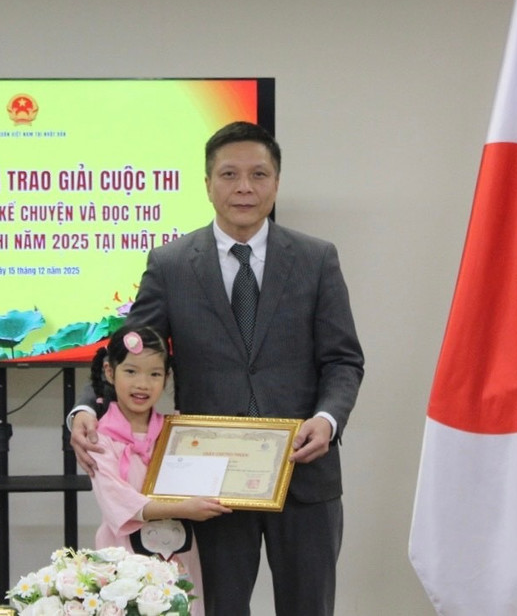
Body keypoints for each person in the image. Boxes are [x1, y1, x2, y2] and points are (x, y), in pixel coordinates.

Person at [70, 120, 364, 615]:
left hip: (303, 474)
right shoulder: (171, 263)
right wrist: (84, 407)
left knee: (309, 606)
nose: (244, 187)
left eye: (258, 174)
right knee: (220, 608)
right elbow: (127, 352)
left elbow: (343, 359)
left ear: (276, 182)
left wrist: (328, 420)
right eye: (229, 174)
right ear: (207, 183)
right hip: (208, 483)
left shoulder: (316, 259)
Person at [88, 324, 231, 616]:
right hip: (123, 556)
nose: (142, 384)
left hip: (179, 555)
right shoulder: (99, 437)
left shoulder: (177, 430)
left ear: (166, 378)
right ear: (109, 371)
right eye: (131, 372)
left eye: (154, 374)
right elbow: (116, 500)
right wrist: (183, 508)